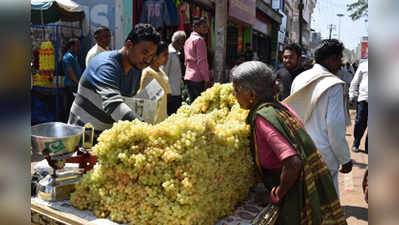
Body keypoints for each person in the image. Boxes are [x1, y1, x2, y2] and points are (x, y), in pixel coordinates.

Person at [231, 61, 347, 225]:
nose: (234, 95)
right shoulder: (281, 108)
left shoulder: (263, 120)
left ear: (252, 95)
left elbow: (293, 163)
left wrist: (276, 194)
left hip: (291, 194)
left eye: (236, 90)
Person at [285, 39, 353, 193]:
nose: (340, 64)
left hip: (300, 149)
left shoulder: (300, 78)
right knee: (326, 205)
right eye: (339, 59)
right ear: (333, 59)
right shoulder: (334, 85)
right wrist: (345, 159)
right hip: (324, 155)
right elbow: (335, 126)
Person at [68, 24, 160, 134]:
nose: (148, 60)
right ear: (129, 45)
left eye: (151, 55)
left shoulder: (136, 68)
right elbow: (113, 104)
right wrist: (145, 128)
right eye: (145, 53)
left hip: (108, 134)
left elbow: (127, 101)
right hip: (84, 134)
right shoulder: (104, 65)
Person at [138, 41, 171, 124]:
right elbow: (146, 101)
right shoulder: (148, 73)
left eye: (168, 55)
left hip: (162, 117)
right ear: (155, 56)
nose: (167, 58)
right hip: (152, 121)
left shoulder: (161, 72)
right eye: (165, 55)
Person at [184, 17, 209, 104]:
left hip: (188, 76)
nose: (206, 29)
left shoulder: (188, 40)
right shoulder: (199, 40)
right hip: (197, 78)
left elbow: (186, 61)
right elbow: (202, 61)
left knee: (192, 103)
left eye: (206, 26)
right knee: (198, 105)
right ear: (196, 27)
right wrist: (206, 79)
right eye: (204, 26)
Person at [162, 31, 186, 115]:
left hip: (177, 91)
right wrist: (167, 93)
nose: (182, 46)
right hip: (171, 93)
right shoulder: (168, 53)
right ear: (176, 41)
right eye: (182, 43)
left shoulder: (175, 53)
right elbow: (164, 74)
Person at [349, 60, 368, 153]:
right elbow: (354, 82)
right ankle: (356, 143)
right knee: (360, 122)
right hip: (364, 99)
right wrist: (351, 95)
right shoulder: (363, 66)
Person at [62, 38, 82, 121]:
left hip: (75, 85)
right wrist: (78, 83)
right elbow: (70, 72)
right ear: (71, 46)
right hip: (70, 86)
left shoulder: (74, 56)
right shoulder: (67, 57)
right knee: (70, 106)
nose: (79, 47)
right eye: (77, 45)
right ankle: (67, 123)